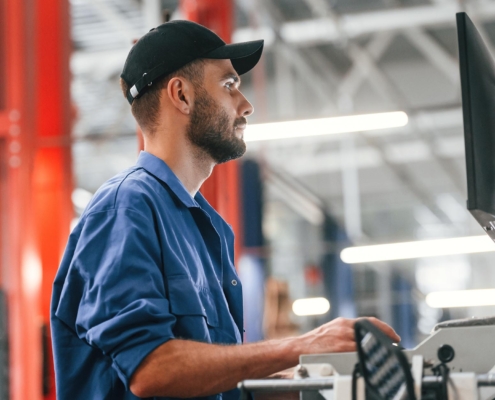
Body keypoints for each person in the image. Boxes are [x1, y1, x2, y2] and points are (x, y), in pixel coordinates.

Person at [50, 20, 400, 400]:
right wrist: (302, 345)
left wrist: (322, 385)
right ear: (181, 95)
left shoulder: (206, 227)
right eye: (230, 85)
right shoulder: (127, 208)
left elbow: (214, 386)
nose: (246, 105)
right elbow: (150, 368)